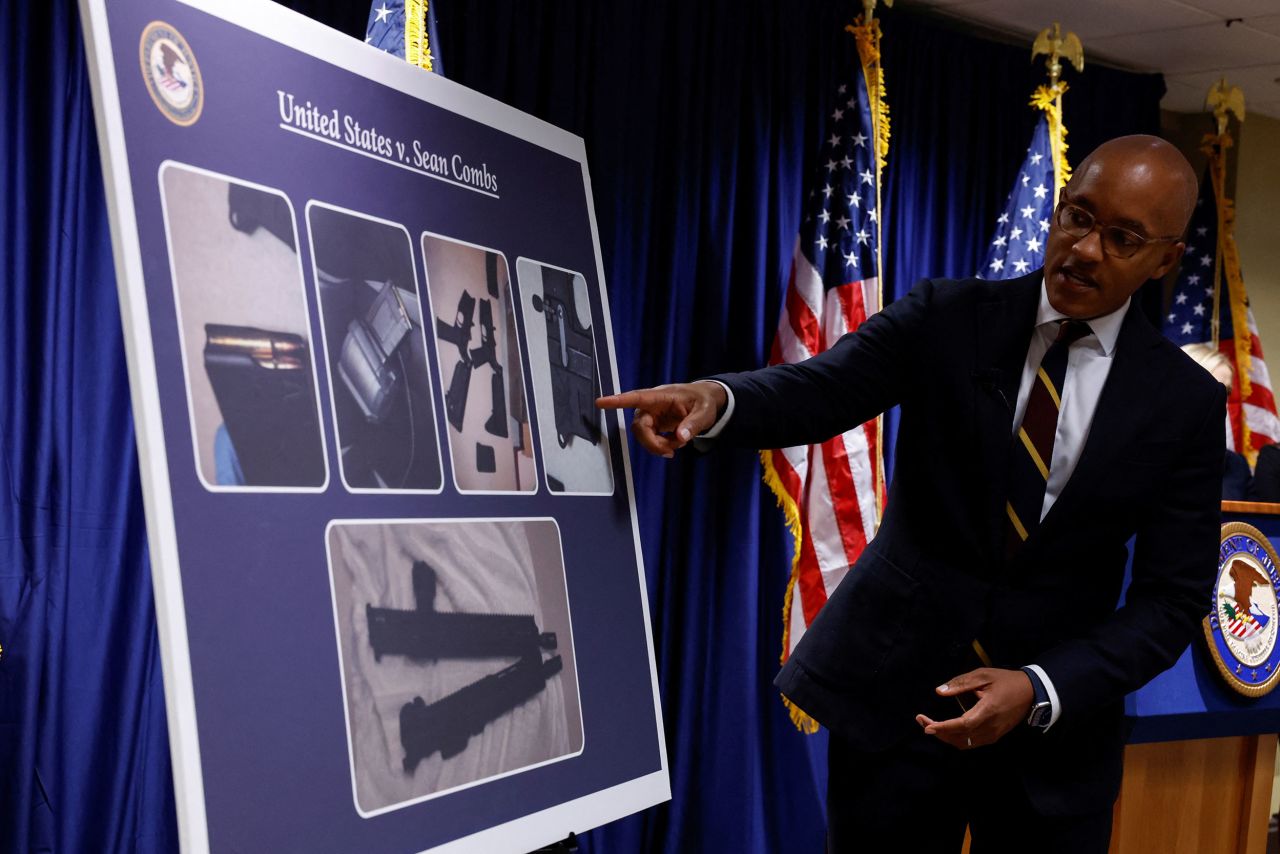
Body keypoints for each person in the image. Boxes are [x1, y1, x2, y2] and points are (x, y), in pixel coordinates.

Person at [597, 135, 1224, 852]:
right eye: (1077, 217)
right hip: (897, 709)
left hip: (1054, 742)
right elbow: (823, 387)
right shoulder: (949, 316)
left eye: (1124, 239)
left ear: (1167, 259)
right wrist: (716, 398)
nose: (1084, 250)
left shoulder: (1186, 404)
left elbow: (1171, 598)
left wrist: (1040, 687)